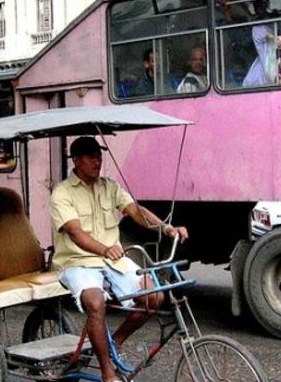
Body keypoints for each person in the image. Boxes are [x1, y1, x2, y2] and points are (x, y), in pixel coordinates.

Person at [51, 137, 189, 382]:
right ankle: (107, 372)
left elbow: (135, 210)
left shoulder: (108, 186)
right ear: (76, 160)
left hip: (111, 259)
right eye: (91, 156)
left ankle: (116, 341)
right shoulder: (62, 193)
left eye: (99, 155)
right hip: (77, 261)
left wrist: (166, 228)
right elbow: (76, 232)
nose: (98, 161)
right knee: (95, 303)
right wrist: (104, 249)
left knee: (154, 296)